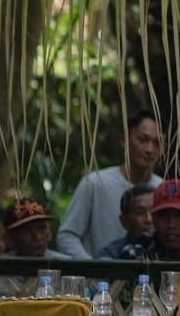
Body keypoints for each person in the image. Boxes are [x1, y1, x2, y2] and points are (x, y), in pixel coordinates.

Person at [54, 108, 163, 259]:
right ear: (124, 140)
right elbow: (67, 235)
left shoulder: (164, 189)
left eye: (157, 143)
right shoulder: (95, 182)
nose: (150, 149)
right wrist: (95, 270)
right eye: (143, 140)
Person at [0, 198, 55, 299]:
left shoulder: (67, 267)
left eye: (42, 228)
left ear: (50, 233)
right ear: (9, 238)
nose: (37, 237)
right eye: (26, 231)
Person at [98, 185, 155, 259]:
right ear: (124, 221)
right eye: (140, 212)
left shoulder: (171, 249)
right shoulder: (112, 254)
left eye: (153, 211)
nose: (149, 219)